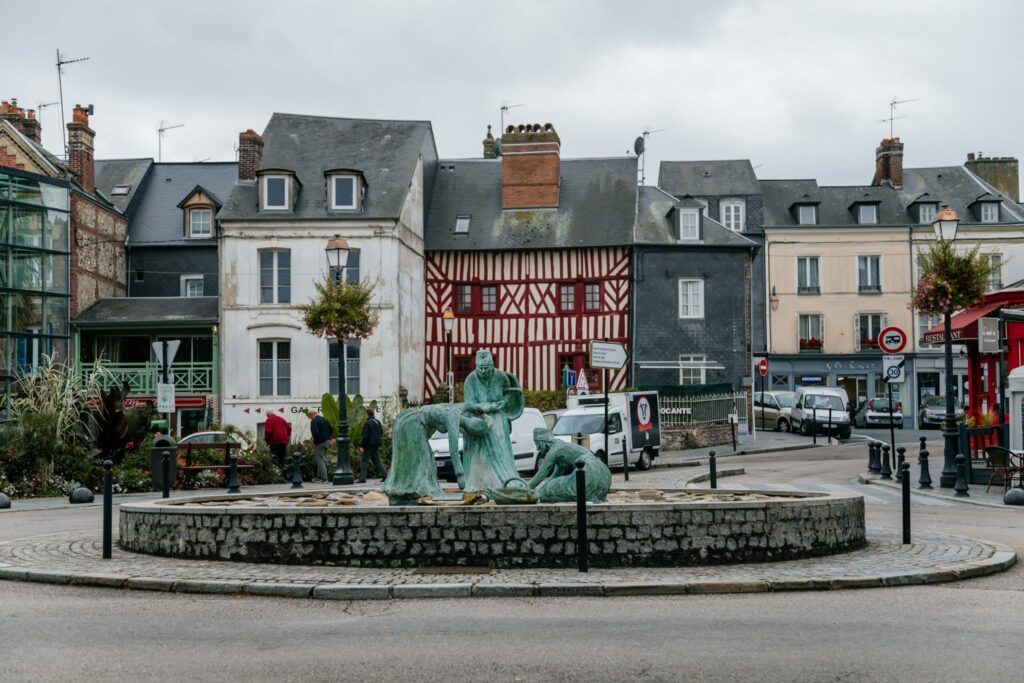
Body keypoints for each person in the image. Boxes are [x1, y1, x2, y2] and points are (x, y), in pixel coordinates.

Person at [460, 349, 525, 492]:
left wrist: (504, 402)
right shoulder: (470, 380)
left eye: (486, 368)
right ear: (476, 367)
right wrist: (487, 407)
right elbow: (469, 405)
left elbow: (510, 393)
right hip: (480, 419)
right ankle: (479, 483)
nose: (483, 372)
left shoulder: (502, 377)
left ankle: (503, 481)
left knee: (500, 450)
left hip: (498, 420)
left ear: (492, 365)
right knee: (479, 453)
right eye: (480, 368)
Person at [358, 407, 388, 483]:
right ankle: (385, 475)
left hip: (369, 445)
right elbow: (381, 432)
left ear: (367, 414)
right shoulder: (377, 422)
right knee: (376, 460)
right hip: (376, 444)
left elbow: (365, 436)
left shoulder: (367, 423)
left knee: (364, 460)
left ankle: (362, 478)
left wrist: (361, 445)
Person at [306, 408, 335, 482]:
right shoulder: (324, 419)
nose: (309, 417)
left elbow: (315, 433)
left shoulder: (314, 421)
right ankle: (319, 477)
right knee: (320, 458)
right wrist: (328, 437)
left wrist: (314, 443)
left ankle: (325, 478)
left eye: (309, 415)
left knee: (320, 460)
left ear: (311, 414)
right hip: (327, 442)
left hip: (320, 443)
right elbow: (331, 429)